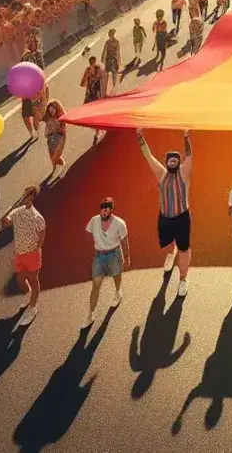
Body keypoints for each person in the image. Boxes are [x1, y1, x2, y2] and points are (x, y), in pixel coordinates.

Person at [139, 128, 193, 297]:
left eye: (176, 160)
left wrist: (186, 138)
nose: (172, 162)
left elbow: (189, 157)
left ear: (178, 162)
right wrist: (140, 137)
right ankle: (171, 252)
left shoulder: (184, 174)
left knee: (184, 248)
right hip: (165, 218)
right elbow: (149, 156)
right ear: (167, 162)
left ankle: (183, 279)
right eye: (170, 160)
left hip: (182, 218)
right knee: (168, 242)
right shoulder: (161, 174)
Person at [0, 185, 46, 327]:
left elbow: (41, 236)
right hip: (20, 253)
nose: (23, 197)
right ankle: (29, 296)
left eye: (26, 195)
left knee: (33, 281)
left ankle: (32, 308)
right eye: (24, 194)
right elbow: (6, 222)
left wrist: (33, 251)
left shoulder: (37, 217)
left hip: (31, 254)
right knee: (20, 281)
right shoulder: (18, 211)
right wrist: (5, 214)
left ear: (32, 198)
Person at [83, 196, 128, 328]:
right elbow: (88, 232)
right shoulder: (94, 220)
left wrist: (127, 257)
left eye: (106, 210)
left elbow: (124, 241)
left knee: (116, 277)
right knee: (95, 285)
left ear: (111, 211)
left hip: (114, 254)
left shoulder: (119, 223)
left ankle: (118, 291)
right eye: (102, 210)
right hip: (99, 256)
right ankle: (90, 315)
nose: (104, 212)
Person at [43, 100, 68, 177]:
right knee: (52, 156)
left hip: (60, 138)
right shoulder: (48, 119)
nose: (52, 112)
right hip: (50, 139)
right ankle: (55, 167)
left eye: (53, 110)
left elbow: (62, 129)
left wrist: (56, 129)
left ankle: (63, 165)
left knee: (55, 156)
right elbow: (45, 134)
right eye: (50, 110)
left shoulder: (61, 119)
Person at [102, 29, 122, 93]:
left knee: (112, 73)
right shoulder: (112, 42)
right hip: (110, 59)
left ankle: (112, 87)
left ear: (111, 35)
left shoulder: (112, 42)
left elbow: (117, 51)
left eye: (110, 34)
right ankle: (109, 87)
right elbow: (105, 50)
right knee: (110, 73)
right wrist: (103, 57)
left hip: (112, 59)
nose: (109, 36)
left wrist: (119, 59)